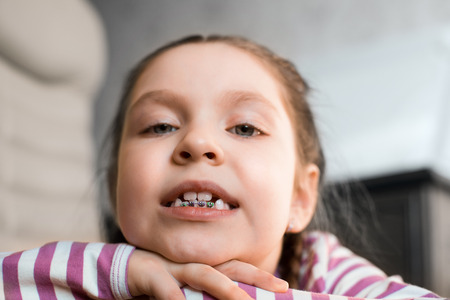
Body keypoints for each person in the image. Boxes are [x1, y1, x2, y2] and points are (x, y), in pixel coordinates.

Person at [0, 35, 444, 300]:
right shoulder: (87, 275)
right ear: (118, 188)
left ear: (299, 196)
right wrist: (119, 275)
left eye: (246, 128)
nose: (197, 142)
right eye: (160, 126)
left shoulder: (319, 264)